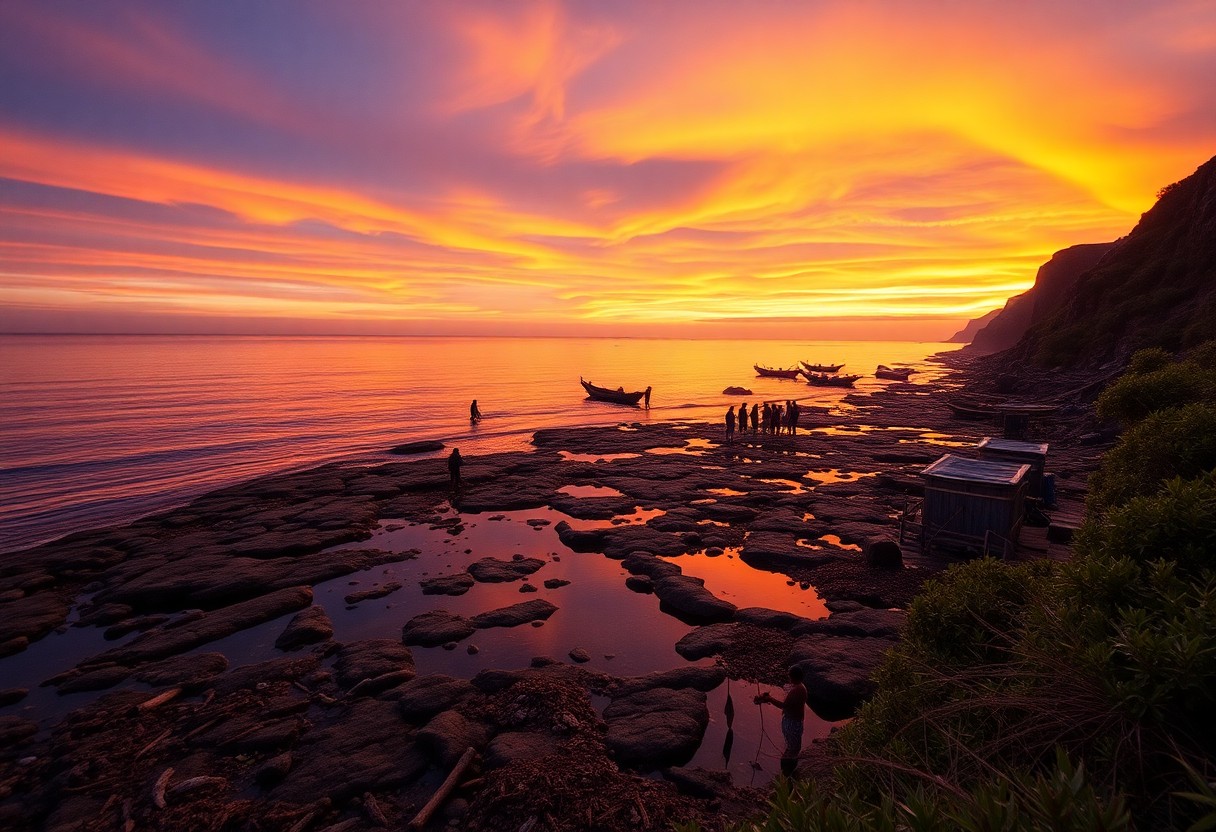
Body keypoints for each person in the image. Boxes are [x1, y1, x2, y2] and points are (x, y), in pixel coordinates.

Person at [756, 665, 808, 776]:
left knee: (792, 748)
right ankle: (787, 771)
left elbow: (784, 706)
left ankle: (786, 771)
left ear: (792, 677)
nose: (789, 679)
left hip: (792, 723)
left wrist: (769, 698)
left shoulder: (796, 690)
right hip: (793, 721)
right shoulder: (801, 687)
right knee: (793, 747)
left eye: (789, 676)